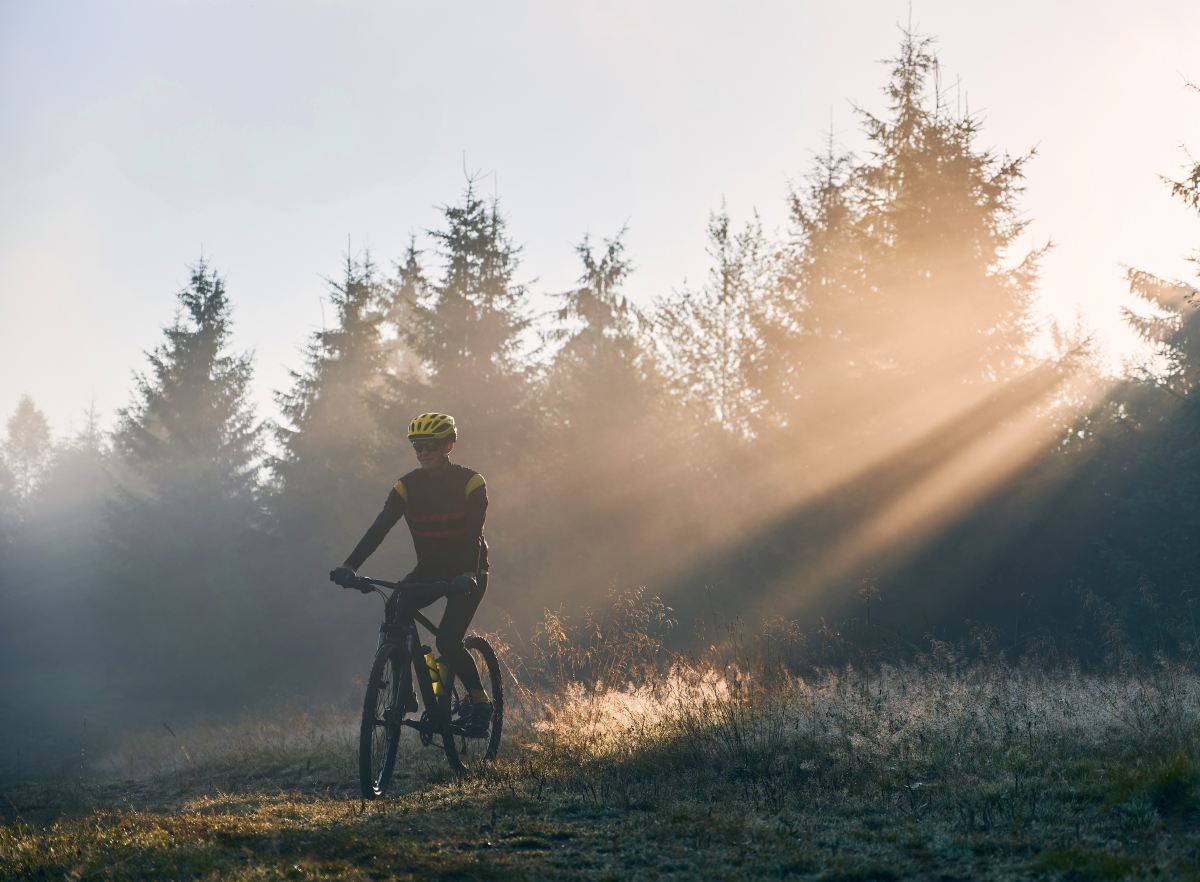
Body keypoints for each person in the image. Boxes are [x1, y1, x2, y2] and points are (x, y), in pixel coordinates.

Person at [329, 412, 492, 734]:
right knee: (394, 611)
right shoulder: (406, 486)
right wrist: (351, 566)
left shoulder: (471, 482)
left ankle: (481, 702)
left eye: (430, 446)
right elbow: (379, 528)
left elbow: (474, 532)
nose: (423, 453)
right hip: (429, 569)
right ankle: (406, 691)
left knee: (447, 642)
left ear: (448, 445)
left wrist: (468, 574)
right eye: (417, 447)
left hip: (467, 569)